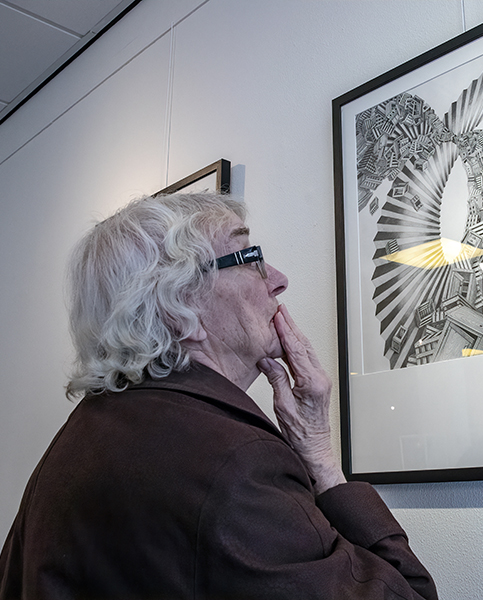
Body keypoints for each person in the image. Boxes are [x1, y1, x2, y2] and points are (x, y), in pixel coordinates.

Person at [0, 192, 438, 599]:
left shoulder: (76, 438)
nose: (278, 280)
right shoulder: (237, 464)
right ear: (178, 307)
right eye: (251, 257)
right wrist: (323, 462)